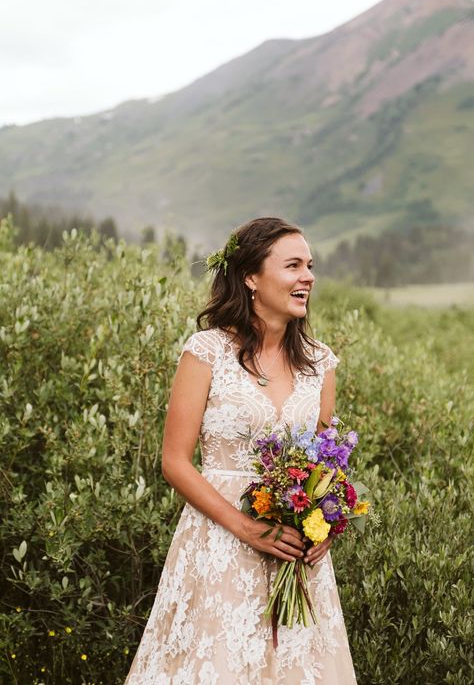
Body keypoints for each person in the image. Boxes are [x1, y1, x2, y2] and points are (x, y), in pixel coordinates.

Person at [125, 217, 357, 684]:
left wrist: (327, 525)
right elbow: (174, 461)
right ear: (252, 277)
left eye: (310, 266)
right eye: (293, 265)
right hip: (219, 545)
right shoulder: (207, 351)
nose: (307, 277)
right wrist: (247, 529)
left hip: (294, 556)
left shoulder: (320, 363)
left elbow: (324, 465)